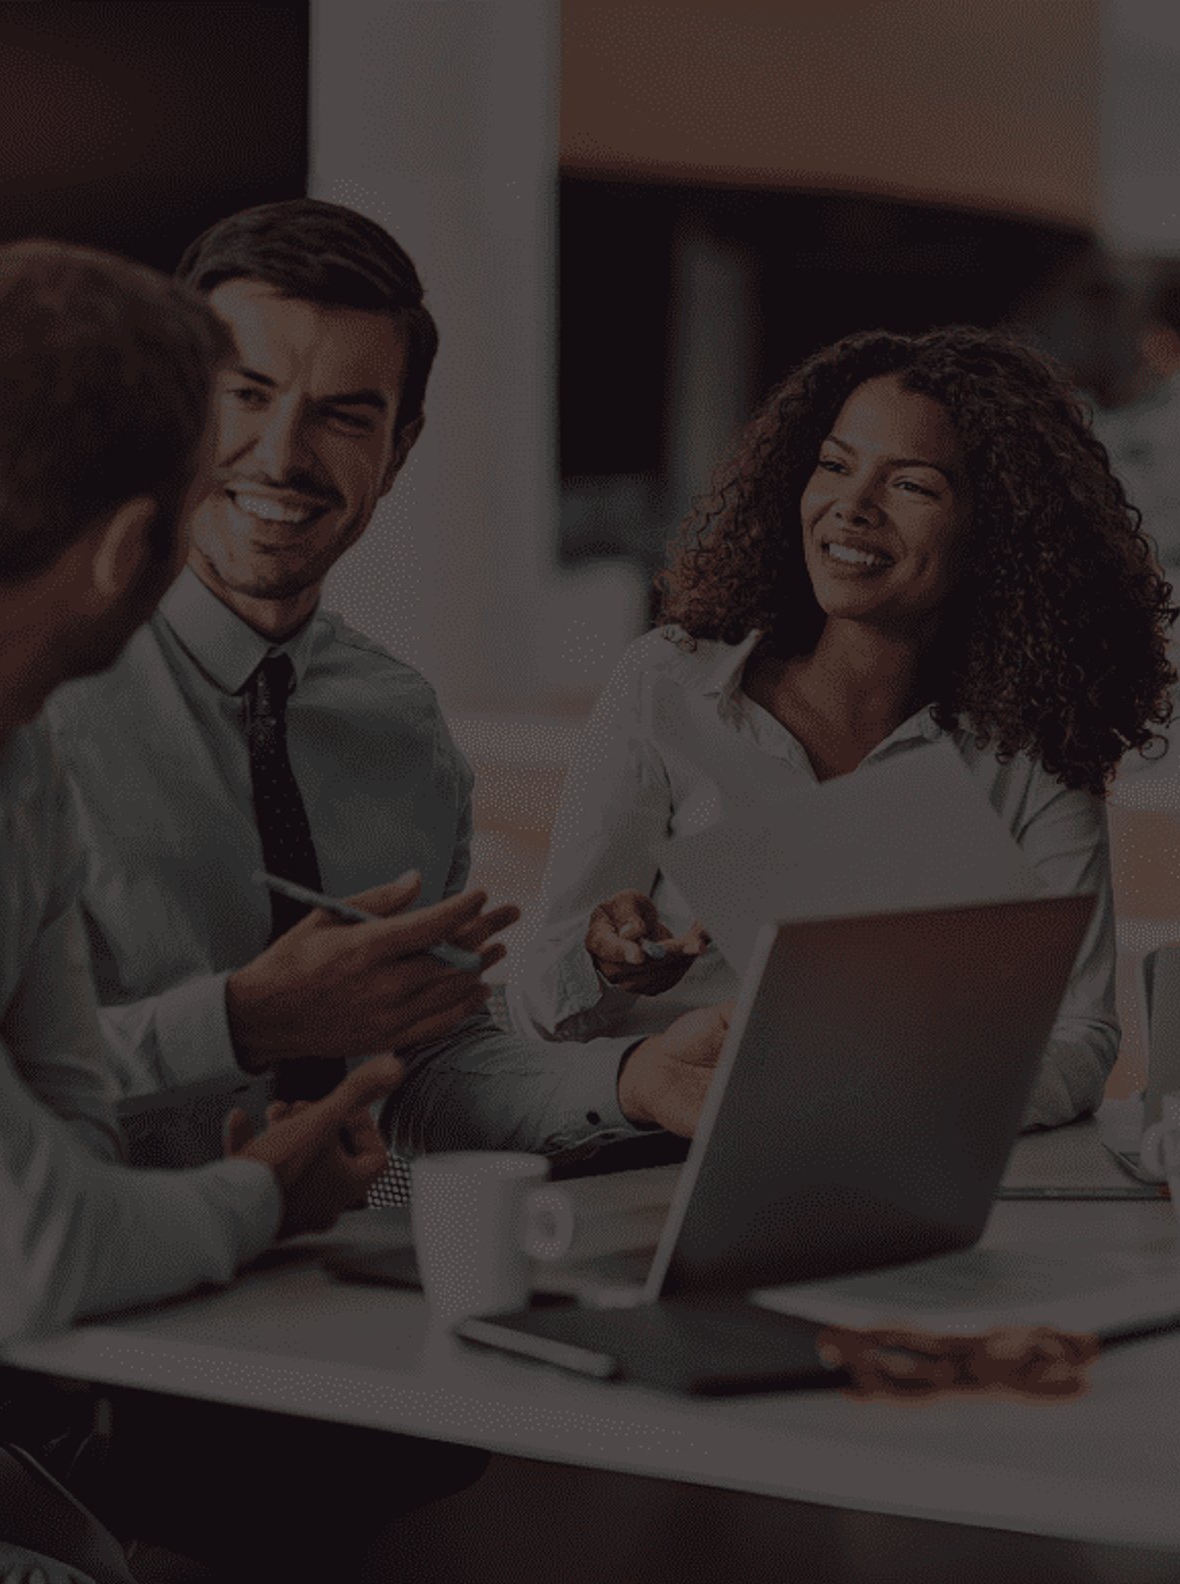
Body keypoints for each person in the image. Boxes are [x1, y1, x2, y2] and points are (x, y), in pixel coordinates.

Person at [0, 240, 399, 1584]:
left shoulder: (16, 762)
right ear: (134, 546)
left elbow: (67, 1137)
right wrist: (259, 1193)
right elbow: (30, 1250)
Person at [44, 199, 730, 1175]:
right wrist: (243, 1023)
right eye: (246, 395)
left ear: (397, 451)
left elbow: (429, 1069)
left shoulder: (400, 727)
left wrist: (631, 1079)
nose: (283, 454)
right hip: (83, 1256)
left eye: (343, 415)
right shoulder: (30, 698)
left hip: (337, 1253)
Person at [508, 326, 1180, 1130]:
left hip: (901, 1158)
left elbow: (1080, 1033)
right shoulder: (669, 686)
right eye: (834, 465)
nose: (852, 507)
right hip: (658, 1149)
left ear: (996, 530)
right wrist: (604, 964)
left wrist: (913, 1099)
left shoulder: (1030, 747)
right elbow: (538, 1005)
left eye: (912, 485)